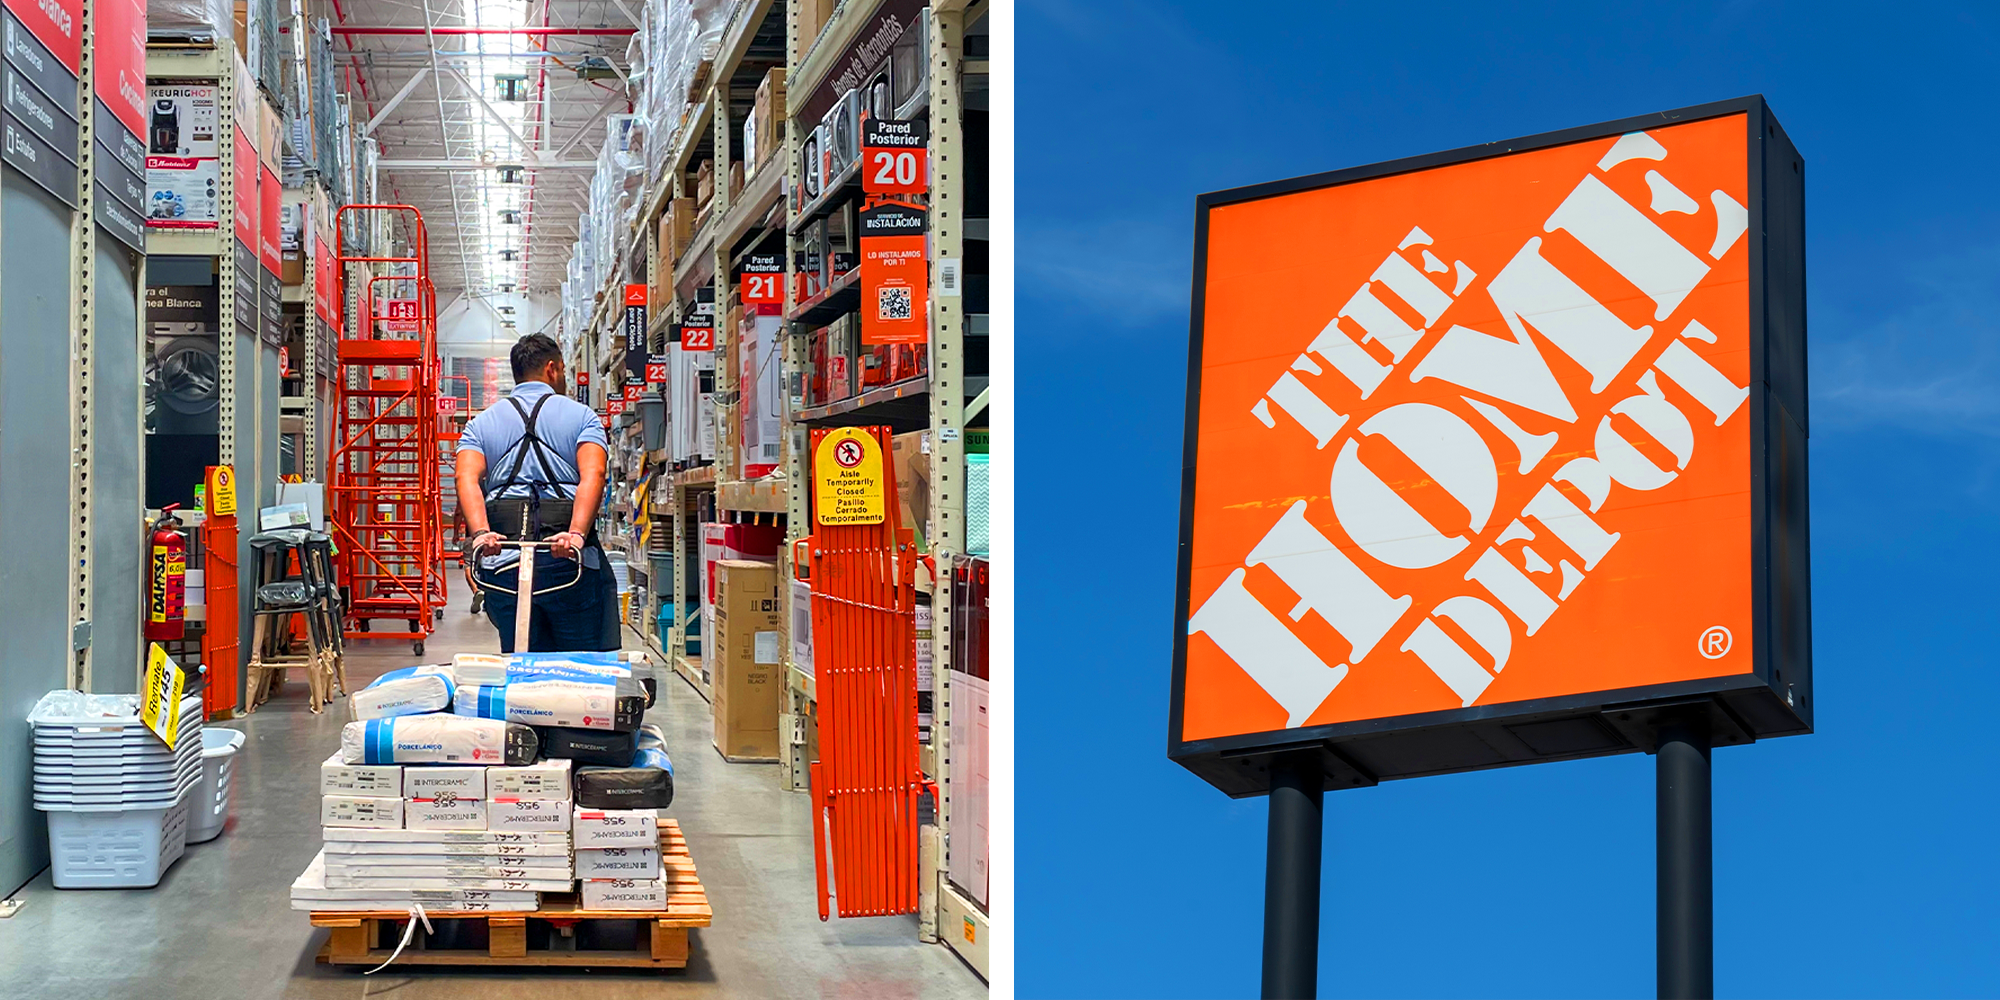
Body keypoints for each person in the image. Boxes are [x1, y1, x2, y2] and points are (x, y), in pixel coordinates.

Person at [453, 333, 617, 652]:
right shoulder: (583, 417)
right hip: (567, 561)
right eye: (564, 371)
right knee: (579, 662)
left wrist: (482, 533)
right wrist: (576, 535)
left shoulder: (480, 424)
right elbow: (594, 474)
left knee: (519, 657)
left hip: (503, 563)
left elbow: (465, 476)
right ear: (551, 369)